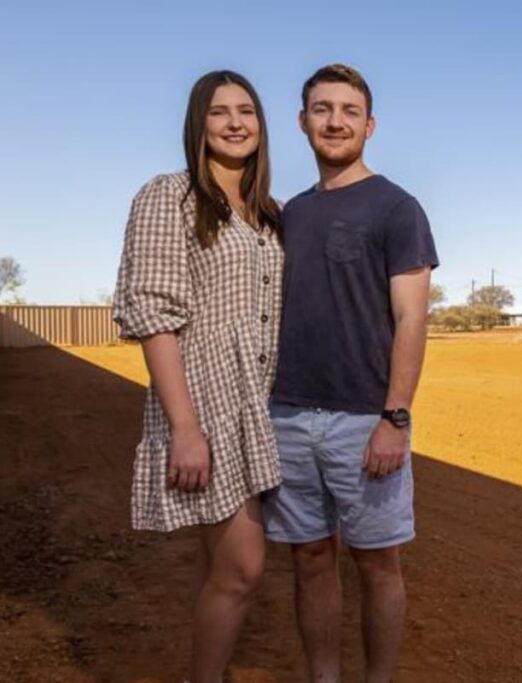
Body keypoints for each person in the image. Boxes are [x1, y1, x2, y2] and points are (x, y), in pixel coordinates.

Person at [261, 63, 438, 683]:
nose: (335, 121)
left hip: (365, 421)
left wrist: (395, 416)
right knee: (310, 559)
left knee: (377, 565)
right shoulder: (287, 216)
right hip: (285, 416)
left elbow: (411, 321)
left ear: (370, 124)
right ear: (302, 121)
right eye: (321, 109)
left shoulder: (397, 208)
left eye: (348, 111)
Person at [112, 70, 283, 683]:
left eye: (247, 111)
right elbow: (153, 316)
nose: (236, 122)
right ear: (197, 124)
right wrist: (185, 427)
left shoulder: (270, 213)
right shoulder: (169, 196)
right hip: (205, 401)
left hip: (262, 407)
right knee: (241, 567)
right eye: (219, 112)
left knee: (224, 567)